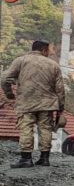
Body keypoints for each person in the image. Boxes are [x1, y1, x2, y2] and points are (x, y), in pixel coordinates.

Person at [2, 40, 64, 168]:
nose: (49, 53)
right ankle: (44, 158)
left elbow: (4, 78)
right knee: (46, 129)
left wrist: (9, 94)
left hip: (26, 102)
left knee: (26, 128)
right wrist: (61, 106)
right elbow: (60, 89)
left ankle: (26, 159)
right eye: (48, 50)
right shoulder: (54, 65)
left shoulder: (20, 61)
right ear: (43, 50)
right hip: (47, 103)